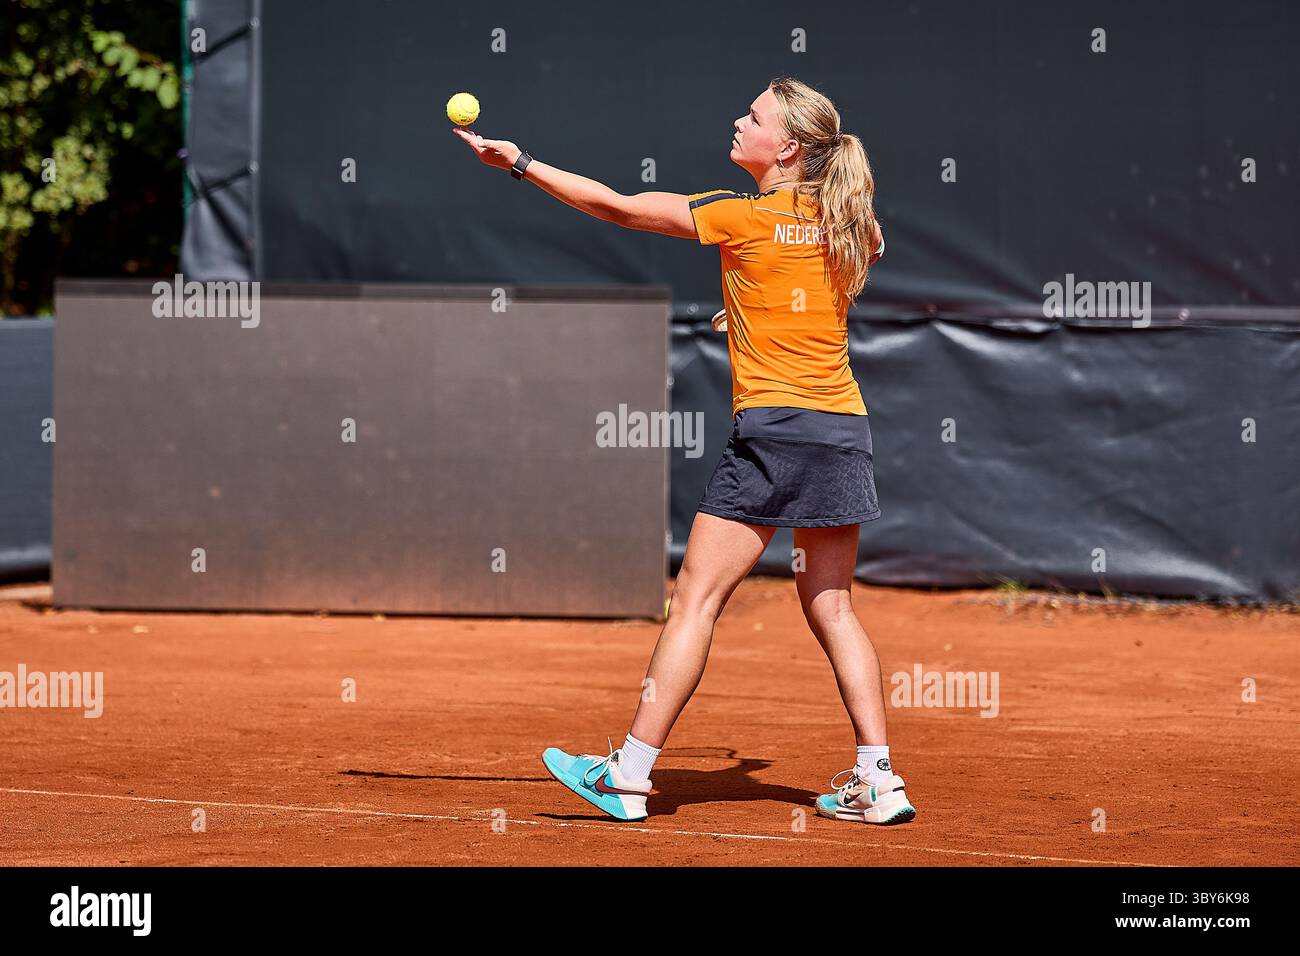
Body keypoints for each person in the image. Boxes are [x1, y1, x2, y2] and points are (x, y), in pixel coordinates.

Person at [452, 76, 914, 826]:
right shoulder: (849, 221)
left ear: (788, 146)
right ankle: (879, 781)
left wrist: (519, 163)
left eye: (755, 116)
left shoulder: (740, 215)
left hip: (772, 431)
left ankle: (628, 776)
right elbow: (829, 267)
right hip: (841, 428)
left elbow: (616, 206)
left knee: (695, 602)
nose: (739, 120)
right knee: (834, 607)